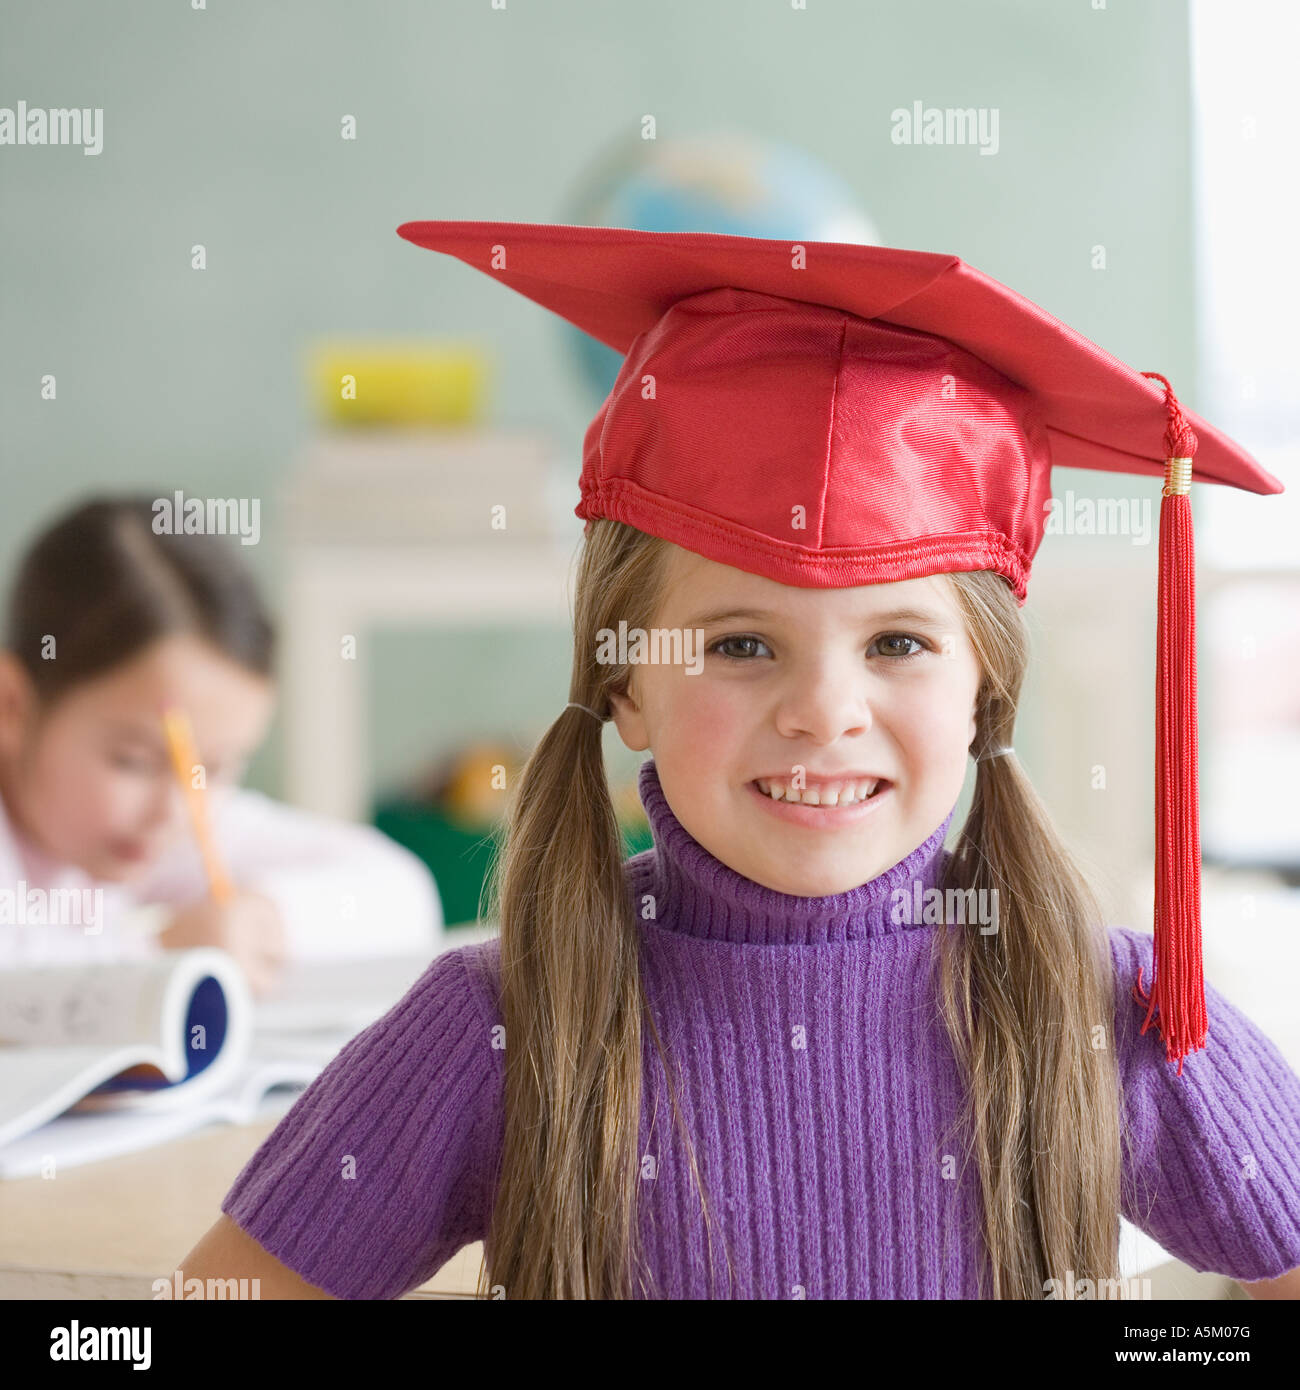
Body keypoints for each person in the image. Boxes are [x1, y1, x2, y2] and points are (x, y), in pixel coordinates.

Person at [178, 222, 1300, 1299]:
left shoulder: (1102, 1009)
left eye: (898, 643)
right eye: (741, 644)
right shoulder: (501, 1023)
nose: (822, 711)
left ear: (983, 692)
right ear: (624, 682)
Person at [0, 495, 442, 993]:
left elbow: (403, 892)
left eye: (215, 768)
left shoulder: (164, 825)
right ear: (12, 705)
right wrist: (153, 955)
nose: (175, 811)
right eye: (133, 761)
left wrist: (263, 920)